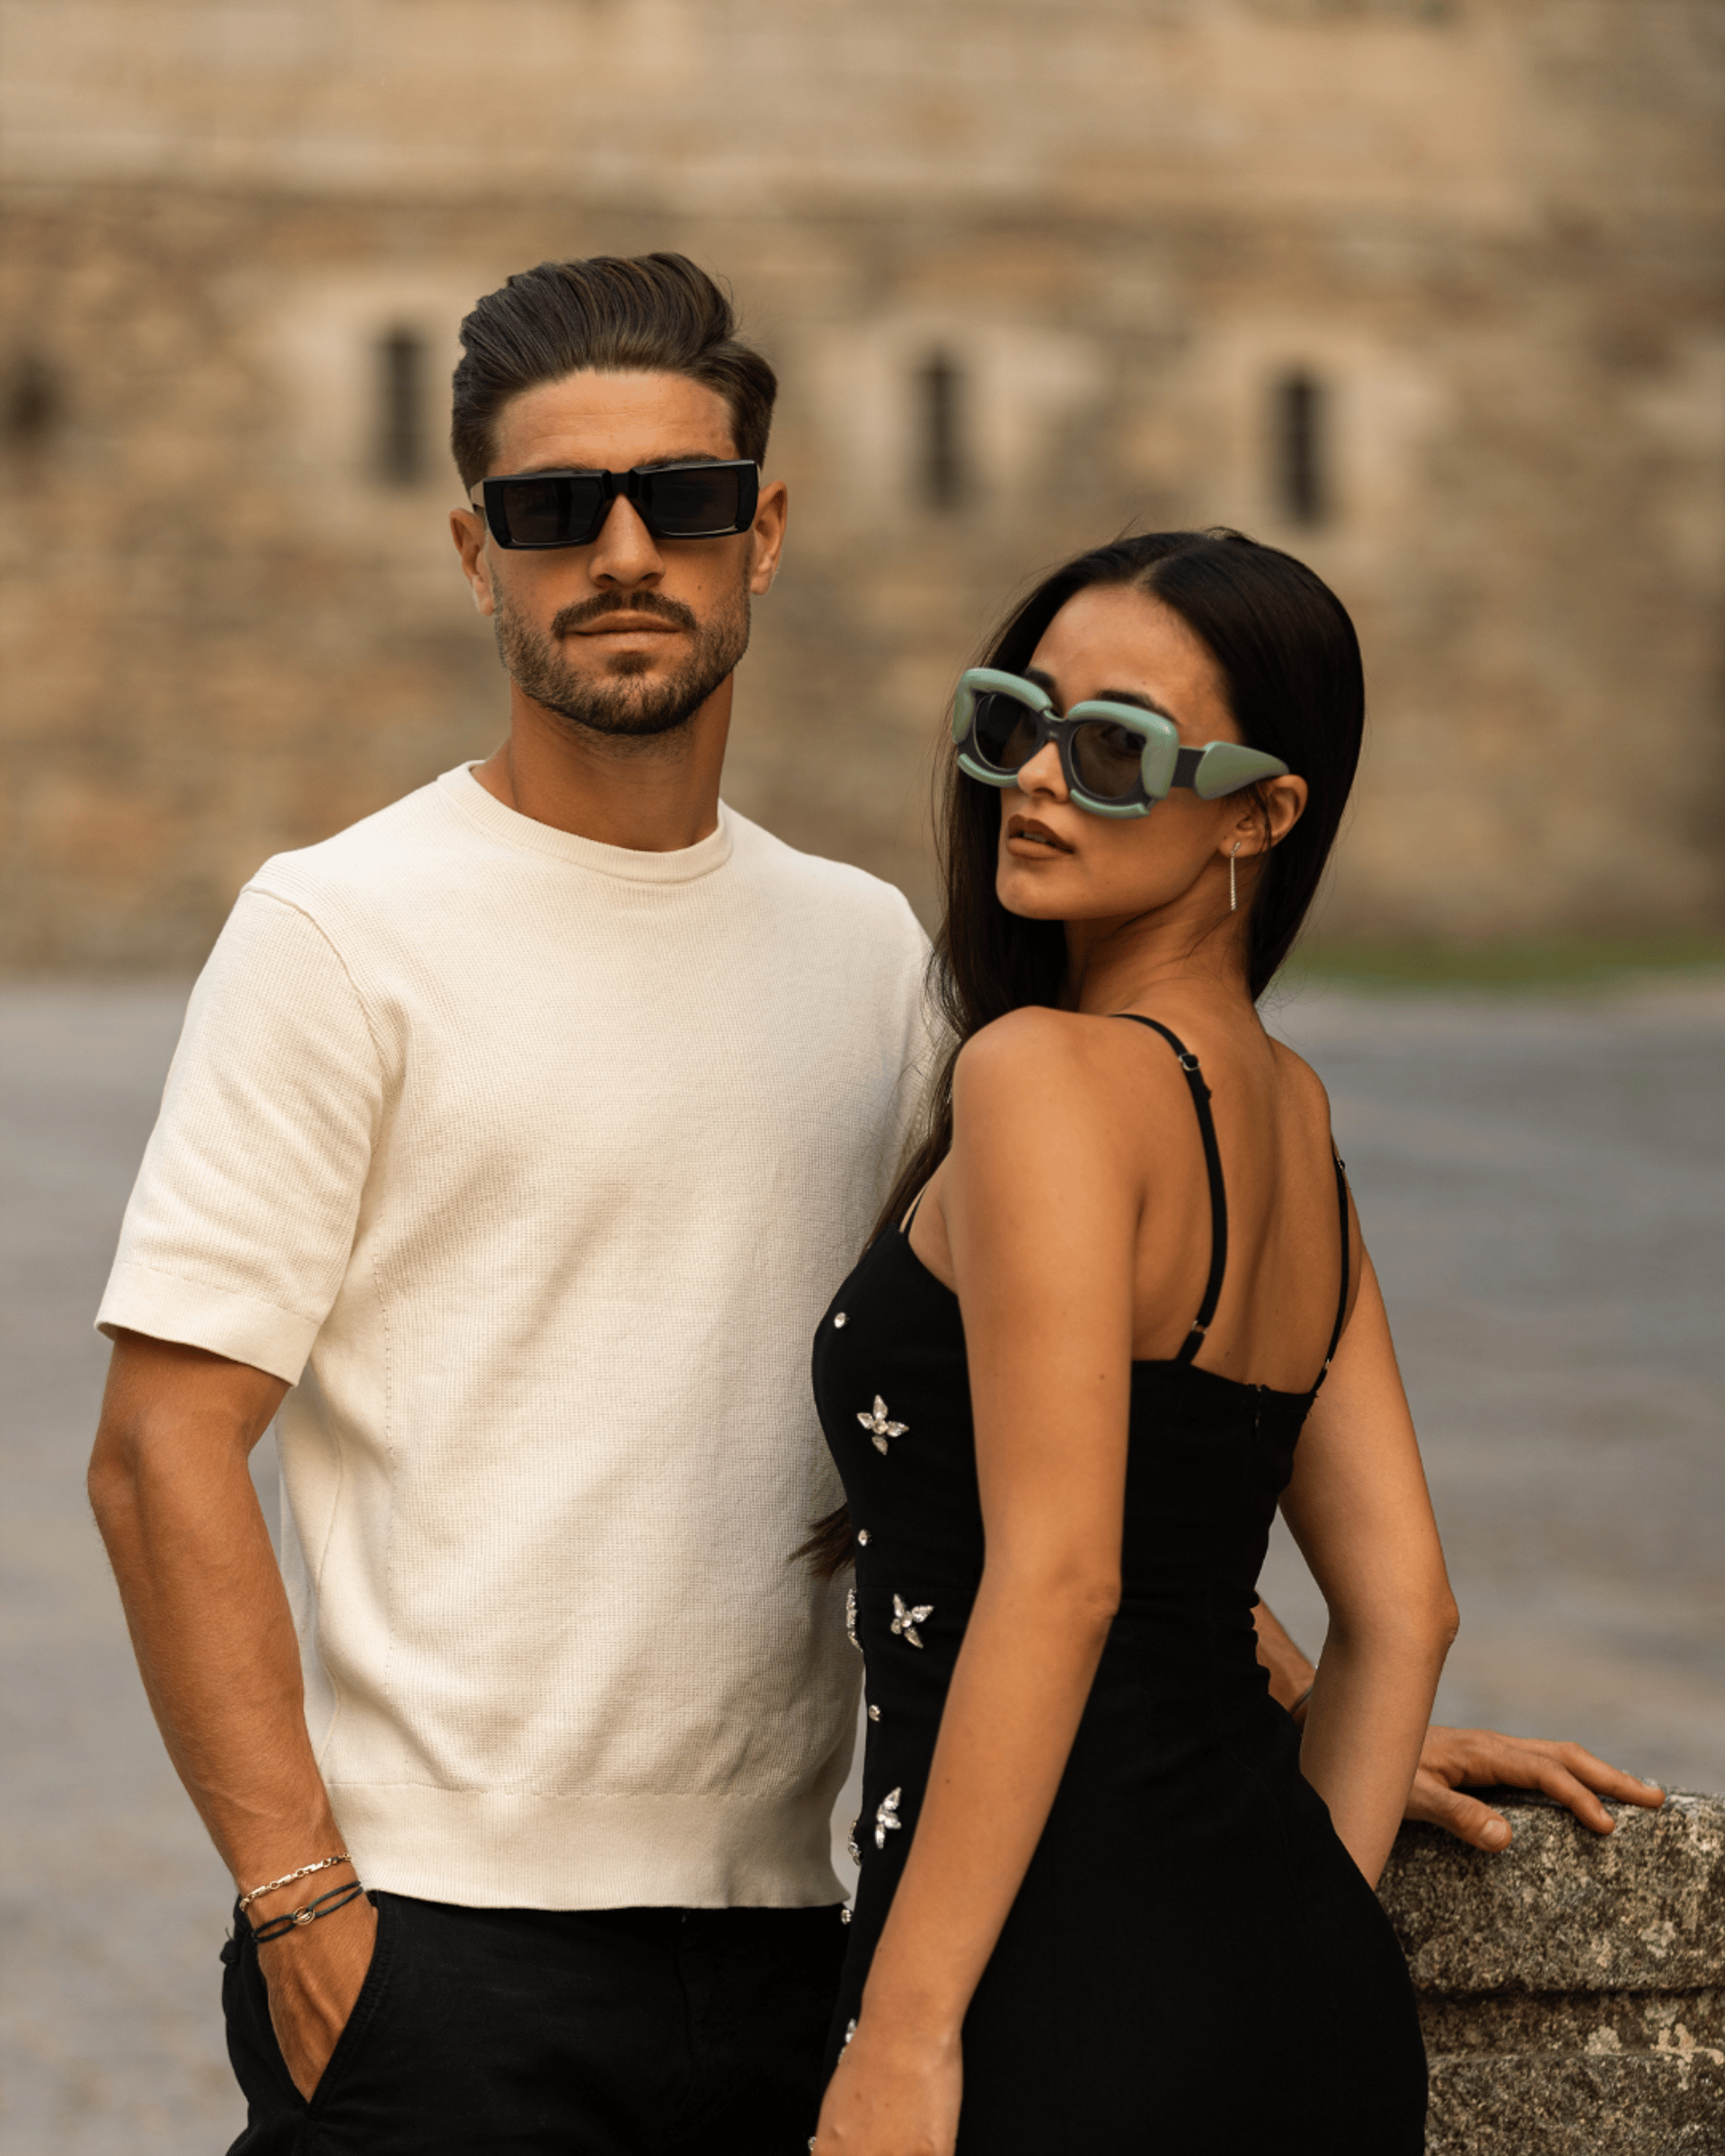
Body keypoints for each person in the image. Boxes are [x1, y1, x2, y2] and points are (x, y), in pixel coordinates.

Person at [85, 255, 1658, 2156]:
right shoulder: (337, 931)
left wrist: (1302, 1721)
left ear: (763, 531)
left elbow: (1044, 1424)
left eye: (676, 499)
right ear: (471, 549)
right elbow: (165, 1450)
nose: (617, 551)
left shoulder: (872, 958)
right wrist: (299, 1905)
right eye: (547, 509)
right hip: (446, 1949)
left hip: (804, 1933)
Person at [801, 529, 1635, 2156]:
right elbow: (1406, 1608)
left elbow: (1065, 1577)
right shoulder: (1294, 1122)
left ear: (1261, 812)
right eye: (1010, 720)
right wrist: (1286, 1919)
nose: (1035, 779)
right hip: (1300, 1986)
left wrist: (901, 2043)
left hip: (1040, 1989)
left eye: (1113, 749)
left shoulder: (1038, 1076)